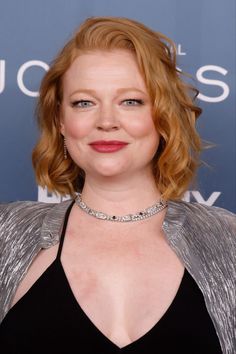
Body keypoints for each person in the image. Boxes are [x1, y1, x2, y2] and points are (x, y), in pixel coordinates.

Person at [0, 16, 235, 354]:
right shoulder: (5, 236)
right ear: (61, 121)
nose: (106, 121)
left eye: (131, 101)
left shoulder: (229, 242)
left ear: (163, 116)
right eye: (84, 102)